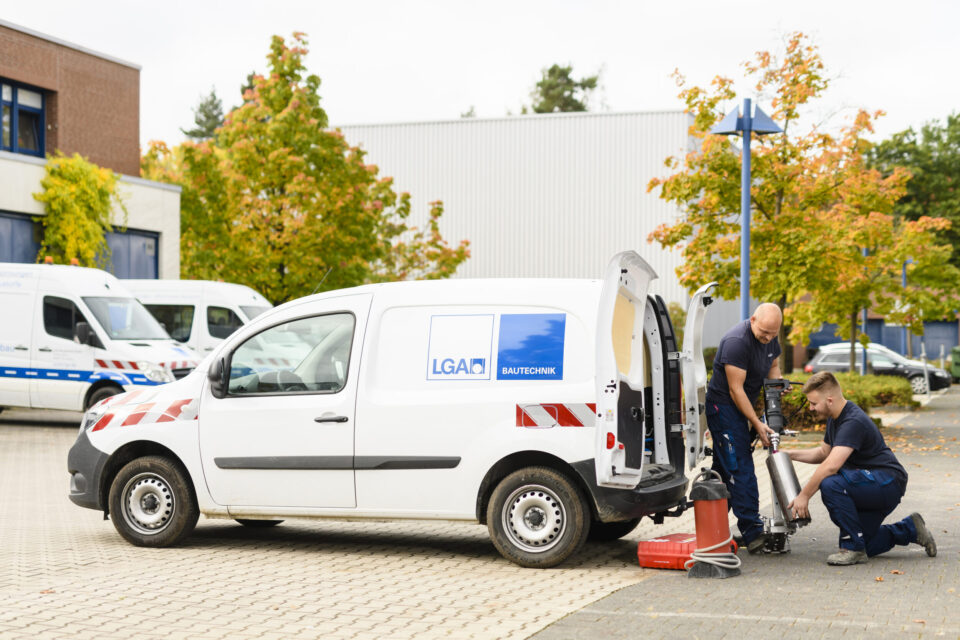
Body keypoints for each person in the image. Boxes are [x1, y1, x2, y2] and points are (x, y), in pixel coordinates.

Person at [787, 371, 937, 565]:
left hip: (887, 481)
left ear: (830, 400)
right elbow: (824, 453)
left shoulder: (852, 421)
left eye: (814, 403)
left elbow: (831, 466)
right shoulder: (835, 418)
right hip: (869, 482)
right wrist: (788, 454)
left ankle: (853, 548)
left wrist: (804, 496)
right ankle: (911, 529)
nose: (811, 408)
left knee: (831, 484)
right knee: (869, 544)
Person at [704, 303, 783, 554]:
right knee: (740, 467)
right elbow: (735, 390)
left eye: (773, 333)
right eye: (764, 333)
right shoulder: (736, 342)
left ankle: (709, 531)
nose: (768, 338)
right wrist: (757, 424)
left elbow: (773, 365)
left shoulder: (770, 337)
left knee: (723, 471)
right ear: (752, 320)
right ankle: (753, 531)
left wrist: (776, 386)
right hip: (724, 408)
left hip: (742, 406)